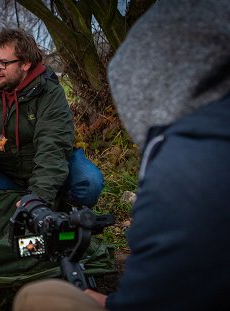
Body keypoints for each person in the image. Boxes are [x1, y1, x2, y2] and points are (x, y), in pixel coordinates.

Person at [13, 0, 230, 310]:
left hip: (50, 162)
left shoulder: (185, 166)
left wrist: (39, 197)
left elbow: (54, 145)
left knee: (34, 298)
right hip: (14, 163)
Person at [0, 28, 104, 209]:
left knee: (89, 183)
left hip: (44, 164)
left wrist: (38, 196)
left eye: (3, 63)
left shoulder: (49, 92)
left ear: (25, 64)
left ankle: (57, 203)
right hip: (4, 169)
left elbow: (53, 147)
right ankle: (23, 197)